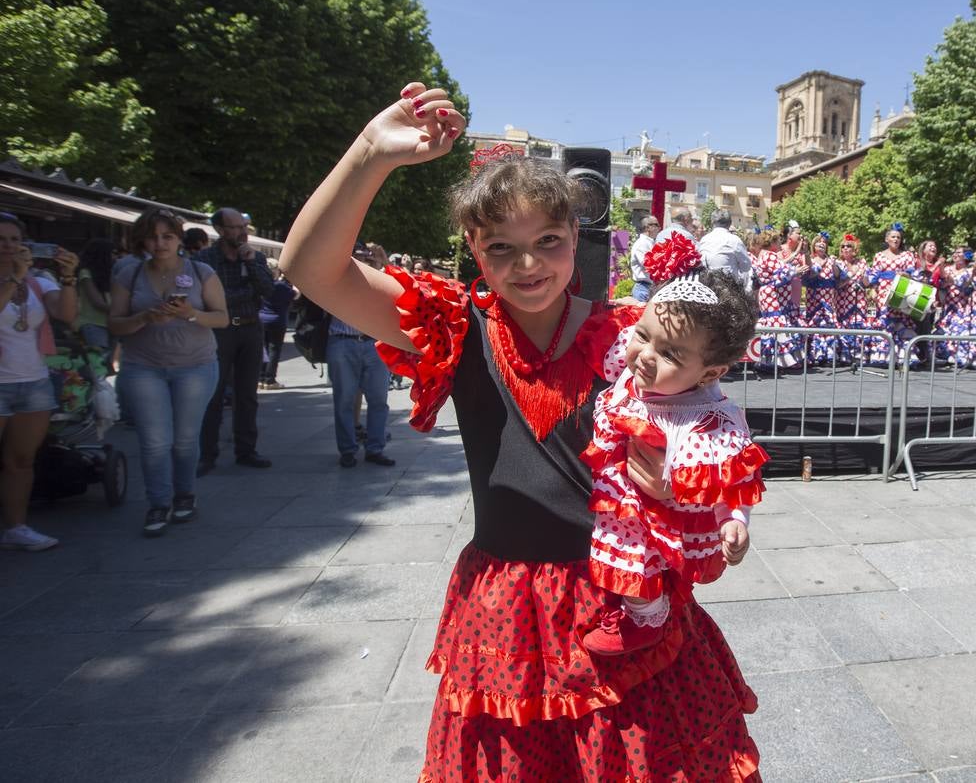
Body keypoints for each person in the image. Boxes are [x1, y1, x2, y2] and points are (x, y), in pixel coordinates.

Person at [279, 83, 759, 780]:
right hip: (505, 612)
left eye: (548, 242)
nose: (528, 265)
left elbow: (712, 429)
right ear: (473, 245)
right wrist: (370, 154)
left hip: (620, 607)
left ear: (575, 238)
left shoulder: (628, 336)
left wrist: (707, 507)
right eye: (501, 247)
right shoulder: (454, 329)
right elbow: (308, 269)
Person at [581, 239, 766, 655]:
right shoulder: (635, 368)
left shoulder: (707, 415)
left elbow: (731, 480)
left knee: (636, 561)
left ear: (709, 374)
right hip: (620, 501)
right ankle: (632, 604)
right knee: (620, 558)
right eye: (642, 336)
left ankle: (647, 617)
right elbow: (620, 335)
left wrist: (734, 521)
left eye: (669, 355)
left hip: (659, 516)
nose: (645, 356)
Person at [109, 209, 229, 537]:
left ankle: (184, 494)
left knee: (185, 439)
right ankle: (158, 502)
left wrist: (191, 314)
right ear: (141, 240)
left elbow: (221, 318)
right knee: (154, 440)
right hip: (143, 367)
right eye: (152, 236)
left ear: (179, 238)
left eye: (167, 236)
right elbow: (114, 323)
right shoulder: (127, 274)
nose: (159, 243)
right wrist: (144, 319)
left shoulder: (201, 271)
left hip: (196, 365)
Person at [0, 213, 78, 551]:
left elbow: (67, 314)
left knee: (21, 461)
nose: (9, 247)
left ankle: (16, 527)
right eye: (1, 241)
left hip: (32, 380)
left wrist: (70, 277)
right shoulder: (18, 278)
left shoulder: (37, 281)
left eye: (15, 240)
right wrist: (12, 278)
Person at [196, 207, 274, 474]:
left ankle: (247, 450)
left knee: (247, 395)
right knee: (213, 394)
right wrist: (243, 294)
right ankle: (206, 454)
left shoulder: (255, 258)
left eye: (243, 227)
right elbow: (210, 299)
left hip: (251, 330)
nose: (241, 232)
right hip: (220, 332)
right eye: (235, 227)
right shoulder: (205, 260)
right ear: (219, 230)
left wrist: (251, 263)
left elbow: (268, 290)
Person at [327, 247, 395, 469]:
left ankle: (375, 448)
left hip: (374, 344)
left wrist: (383, 265)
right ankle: (347, 450)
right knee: (344, 400)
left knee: (378, 400)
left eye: (366, 257)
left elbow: (400, 290)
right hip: (342, 342)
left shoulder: (378, 278)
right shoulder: (337, 276)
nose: (363, 260)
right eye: (358, 256)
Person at [751, 230, 803, 371]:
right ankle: (772, 361)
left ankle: (771, 360)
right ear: (772, 243)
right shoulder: (770, 255)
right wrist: (795, 271)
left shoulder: (763, 255)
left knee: (772, 324)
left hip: (767, 293)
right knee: (776, 324)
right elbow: (782, 270)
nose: (780, 243)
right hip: (772, 294)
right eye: (778, 241)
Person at [835, 233, 887, 366]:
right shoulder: (837, 263)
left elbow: (867, 282)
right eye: (843, 246)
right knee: (845, 325)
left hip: (860, 299)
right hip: (843, 299)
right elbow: (837, 283)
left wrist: (867, 280)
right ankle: (845, 355)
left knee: (860, 325)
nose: (845, 248)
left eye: (849, 246)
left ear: (854, 250)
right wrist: (850, 275)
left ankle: (859, 355)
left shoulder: (862, 262)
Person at [870, 223, 919, 359]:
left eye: (898, 237)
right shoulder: (879, 255)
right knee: (885, 319)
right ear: (887, 239)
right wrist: (874, 290)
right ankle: (884, 355)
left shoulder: (907, 255)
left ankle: (903, 354)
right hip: (884, 290)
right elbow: (874, 275)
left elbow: (912, 272)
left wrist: (905, 275)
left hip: (901, 289)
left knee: (902, 319)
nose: (896, 239)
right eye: (893, 237)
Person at [801, 232, 843, 365]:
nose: (822, 245)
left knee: (829, 324)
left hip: (828, 297)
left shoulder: (831, 259)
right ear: (814, 246)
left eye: (824, 243)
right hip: (814, 298)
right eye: (819, 242)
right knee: (814, 324)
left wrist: (835, 264)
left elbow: (838, 276)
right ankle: (814, 354)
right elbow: (808, 274)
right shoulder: (810, 260)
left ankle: (829, 354)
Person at [258, 262, 297, 389]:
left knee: (263, 349)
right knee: (274, 350)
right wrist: (296, 285)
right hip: (277, 321)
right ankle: (270, 380)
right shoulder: (280, 286)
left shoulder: (262, 285)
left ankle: (261, 378)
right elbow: (295, 295)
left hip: (262, 320)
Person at [75, 238, 116, 354]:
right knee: (99, 361)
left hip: (111, 323)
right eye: (112, 253)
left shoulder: (109, 274)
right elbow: (97, 302)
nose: (115, 257)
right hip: (93, 323)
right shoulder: (85, 273)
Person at [698, 208, 752, 292]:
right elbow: (746, 267)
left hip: (707, 288)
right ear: (730, 223)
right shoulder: (735, 240)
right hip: (729, 291)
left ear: (712, 222)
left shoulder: (704, 240)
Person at [935, 247, 973, 365]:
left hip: (961, 308)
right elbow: (942, 282)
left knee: (959, 331)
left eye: (959, 252)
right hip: (947, 307)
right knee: (943, 331)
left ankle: (958, 357)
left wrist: (946, 276)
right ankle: (944, 355)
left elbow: (959, 283)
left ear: (966, 256)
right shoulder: (947, 269)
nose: (955, 254)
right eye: (954, 252)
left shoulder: (969, 271)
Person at [628, 215, 659, 302]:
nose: (659, 228)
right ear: (648, 227)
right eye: (656, 225)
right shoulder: (642, 244)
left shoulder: (650, 243)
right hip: (643, 289)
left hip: (648, 287)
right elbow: (649, 265)